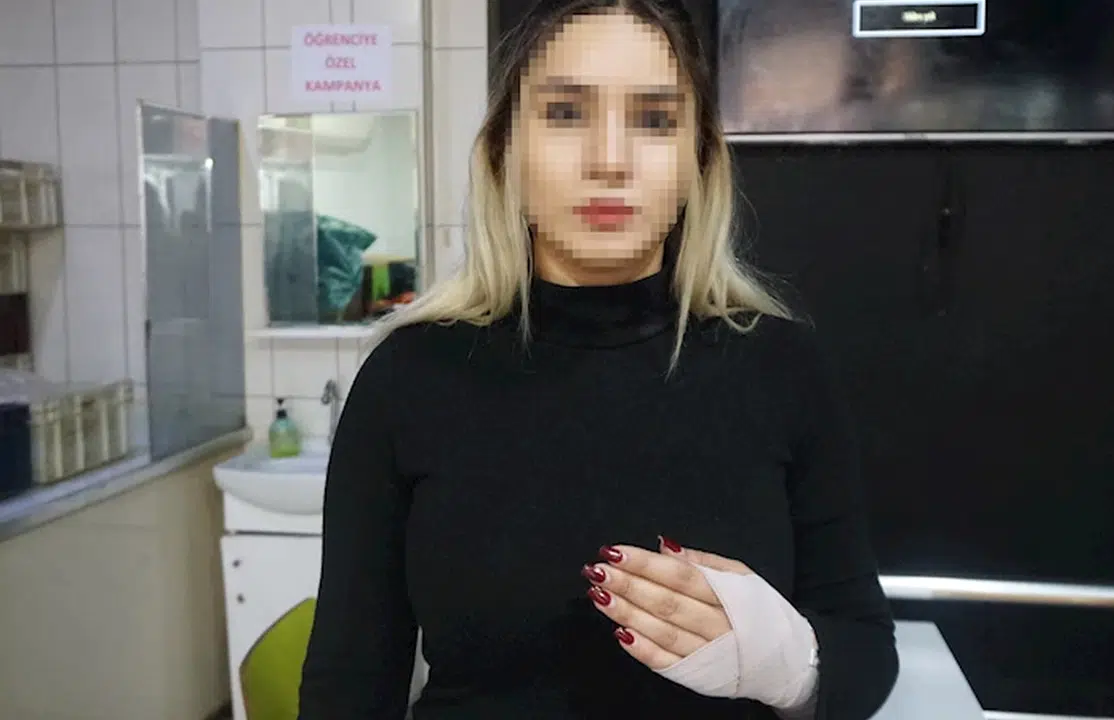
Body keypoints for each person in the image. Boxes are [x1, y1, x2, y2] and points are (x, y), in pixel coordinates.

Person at [297, 1, 899, 718]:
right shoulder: (407, 380)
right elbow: (347, 685)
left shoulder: (784, 369)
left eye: (654, 119)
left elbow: (867, 650)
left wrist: (791, 662)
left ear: (698, 161)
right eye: (564, 113)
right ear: (506, 153)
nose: (610, 159)